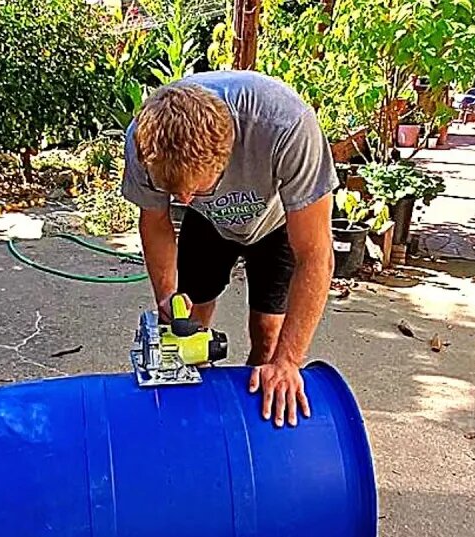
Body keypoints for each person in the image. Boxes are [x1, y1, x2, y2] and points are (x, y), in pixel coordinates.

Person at [121, 71, 337, 428]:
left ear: (226, 158)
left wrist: (288, 362)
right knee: (188, 326)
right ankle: (196, 422)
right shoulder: (145, 140)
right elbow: (156, 221)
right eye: (175, 193)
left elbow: (316, 256)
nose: (185, 199)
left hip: (277, 222)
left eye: (196, 189)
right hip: (206, 224)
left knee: (268, 335)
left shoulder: (287, 126)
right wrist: (166, 297)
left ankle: (253, 428)